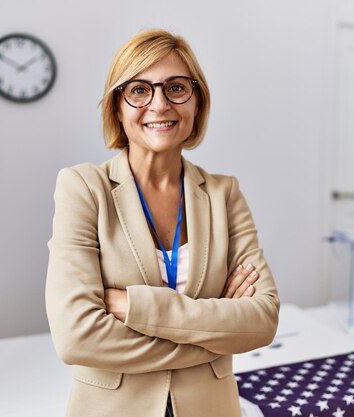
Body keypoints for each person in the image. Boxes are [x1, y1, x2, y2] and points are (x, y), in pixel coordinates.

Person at [45, 29, 279, 417]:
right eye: (139, 89)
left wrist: (132, 305)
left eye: (176, 87)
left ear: (197, 101)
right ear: (117, 106)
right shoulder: (83, 187)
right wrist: (217, 329)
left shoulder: (225, 193)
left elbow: (262, 320)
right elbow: (76, 338)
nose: (159, 104)